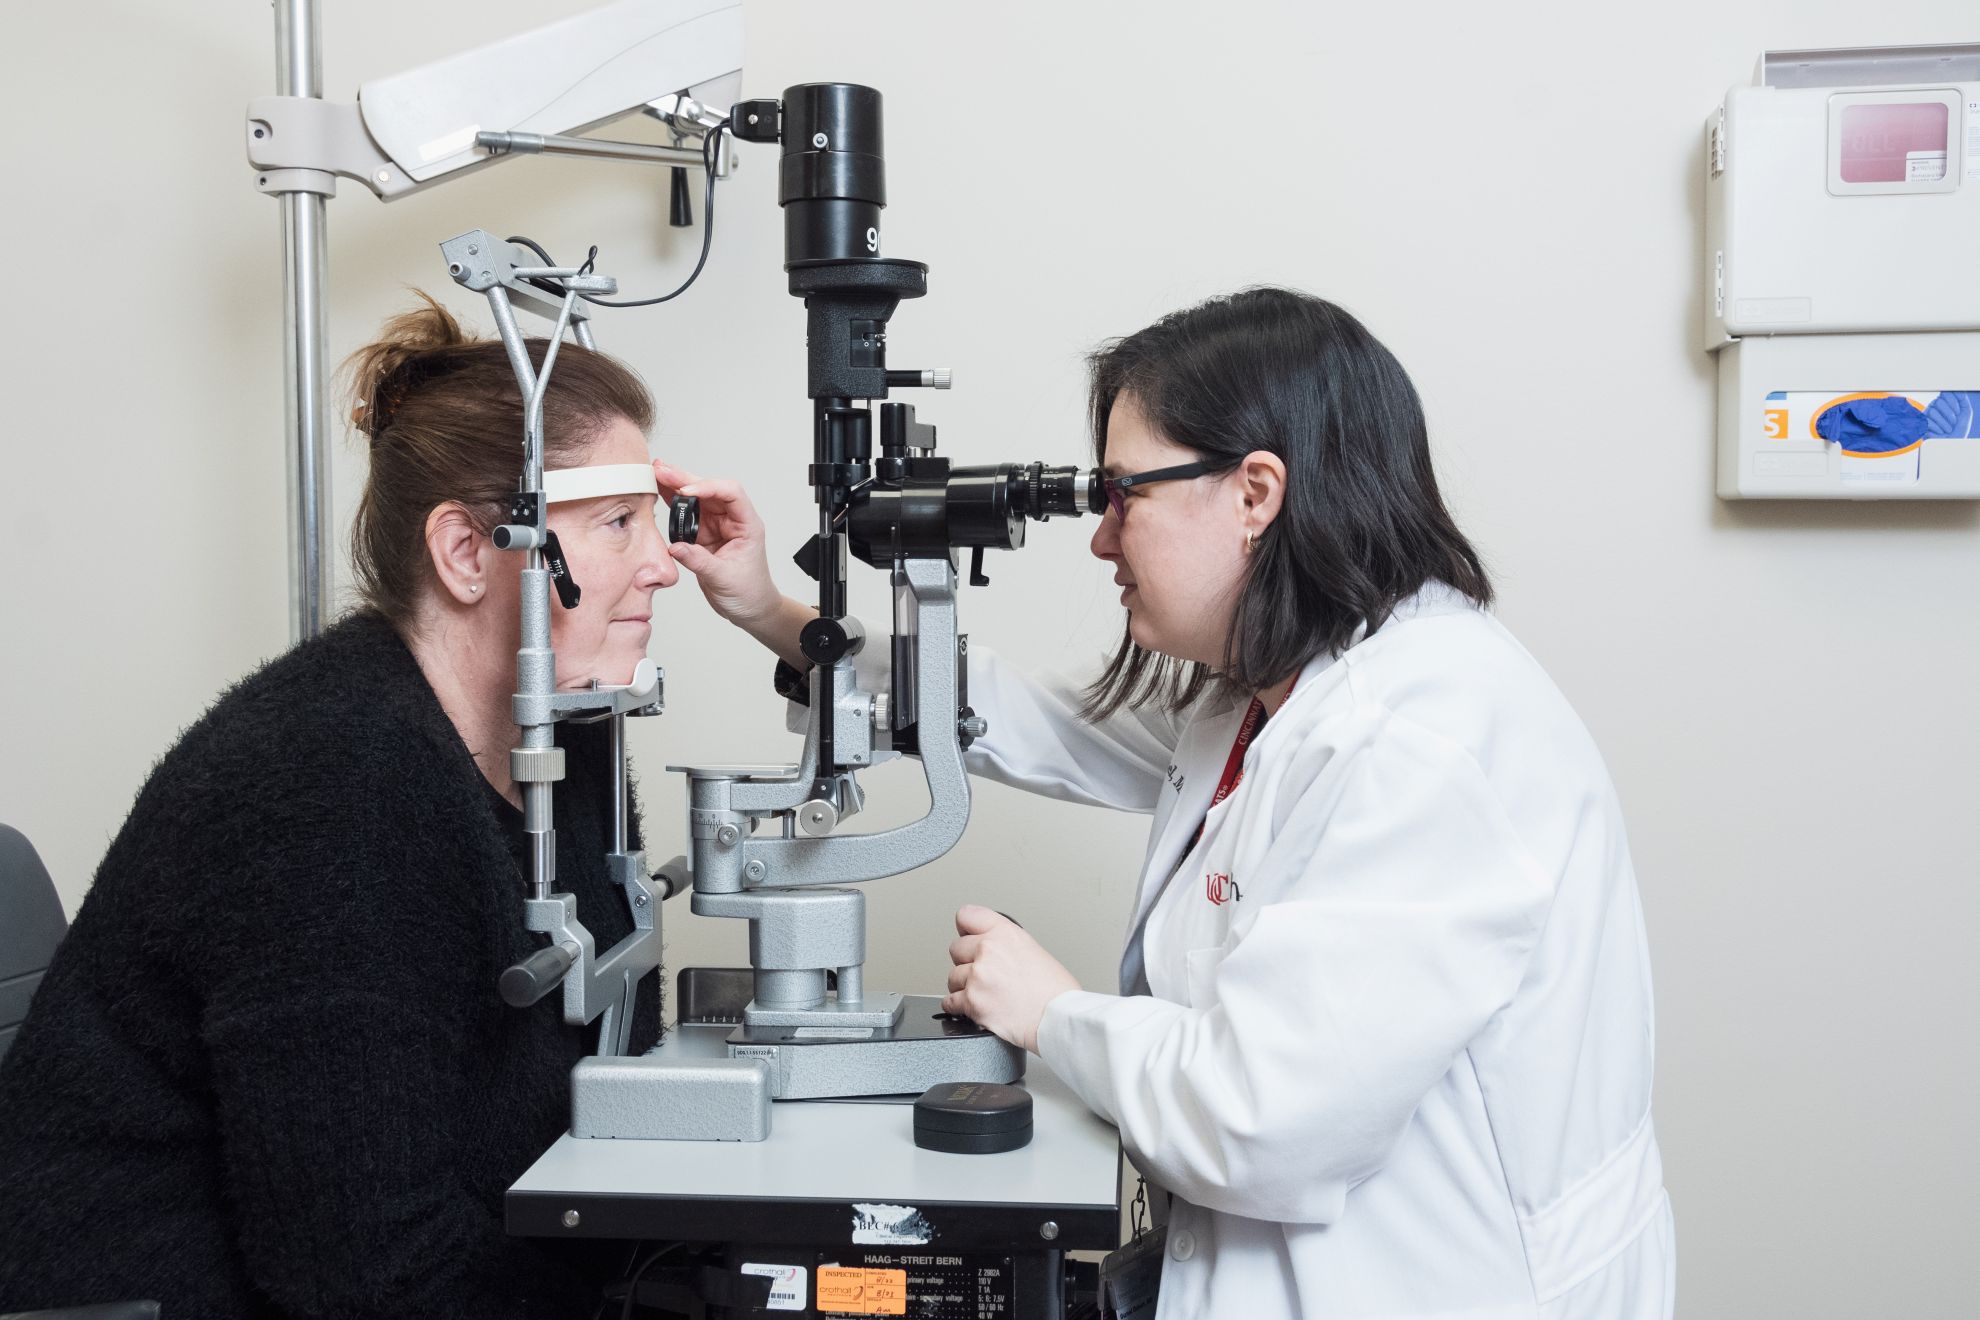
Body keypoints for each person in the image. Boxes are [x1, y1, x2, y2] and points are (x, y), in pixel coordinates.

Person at [660, 287, 1676, 1319]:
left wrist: (1051, 1011)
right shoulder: (1280, 692)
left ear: (1254, 494)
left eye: (1123, 495)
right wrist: (772, 612)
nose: (1101, 540)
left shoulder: (1421, 743)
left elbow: (1262, 1120)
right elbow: (1036, 723)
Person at [0, 295, 677, 1318]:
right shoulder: (328, 779)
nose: (661, 564)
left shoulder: (571, 739)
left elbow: (614, 1079)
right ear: (464, 552)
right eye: (620, 524)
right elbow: (363, 1271)